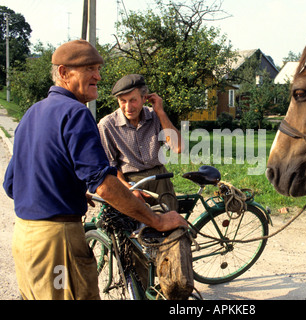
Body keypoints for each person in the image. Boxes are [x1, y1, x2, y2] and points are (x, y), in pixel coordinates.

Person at [3, 40, 186, 300]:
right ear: (64, 73)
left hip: (25, 241)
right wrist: (156, 220)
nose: (98, 76)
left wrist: (67, 193)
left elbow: (12, 184)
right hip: (58, 245)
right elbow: (104, 184)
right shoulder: (76, 113)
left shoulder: (32, 113)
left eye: (98, 68)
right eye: (89, 69)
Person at [98, 74, 182, 211]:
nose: (128, 107)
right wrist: (129, 190)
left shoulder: (155, 116)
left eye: (133, 100)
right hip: (130, 183)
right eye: (122, 101)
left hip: (160, 181)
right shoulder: (107, 125)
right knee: (138, 231)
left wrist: (160, 112)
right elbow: (110, 166)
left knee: (172, 227)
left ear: (144, 98)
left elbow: (177, 147)